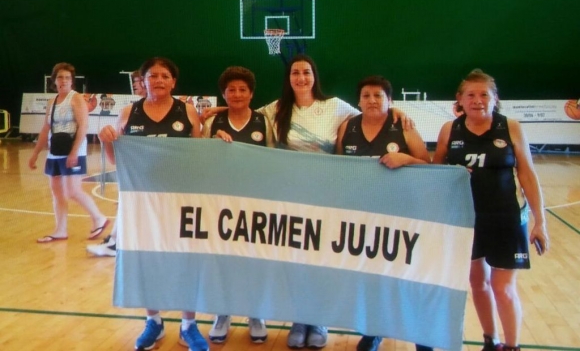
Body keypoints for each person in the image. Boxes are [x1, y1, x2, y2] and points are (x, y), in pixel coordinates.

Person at [202, 54, 413, 349]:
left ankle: (319, 319)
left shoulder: (335, 106)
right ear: (288, 79)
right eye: (295, 73)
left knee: (322, 260)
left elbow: (372, 111)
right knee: (297, 261)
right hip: (291, 195)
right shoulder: (277, 108)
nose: (301, 78)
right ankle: (300, 318)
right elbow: (243, 108)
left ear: (314, 76)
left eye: (306, 72)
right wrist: (221, 108)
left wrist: (397, 110)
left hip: (327, 195)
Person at [432, 69, 550, 351]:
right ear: (459, 100)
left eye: (484, 94)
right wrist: (452, 172)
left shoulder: (511, 127)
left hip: (507, 218)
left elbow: (528, 175)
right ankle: (490, 340)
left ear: (495, 99)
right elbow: (435, 171)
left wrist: (540, 222)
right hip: (467, 219)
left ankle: (512, 346)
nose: (477, 100)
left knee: (503, 287)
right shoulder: (450, 130)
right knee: (478, 283)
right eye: (470, 95)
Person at [96, 57, 208, 351]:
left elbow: (201, 156)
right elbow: (116, 159)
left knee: (184, 260)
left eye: (164, 76)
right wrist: (107, 139)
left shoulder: (187, 111)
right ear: (142, 81)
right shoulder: (127, 113)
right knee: (146, 260)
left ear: (174, 81)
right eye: (152, 76)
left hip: (181, 200)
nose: (158, 80)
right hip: (141, 202)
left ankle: (188, 325)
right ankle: (153, 321)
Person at [336, 75, 432, 351]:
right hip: (365, 216)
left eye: (378, 95)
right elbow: (340, 168)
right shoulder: (348, 127)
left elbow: (429, 165)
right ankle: (374, 331)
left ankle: (421, 337)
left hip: (402, 215)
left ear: (390, 100)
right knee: (373, 278)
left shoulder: (403, 126)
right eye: (366, 95)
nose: (372, 100)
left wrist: (407, 159)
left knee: (409, 278)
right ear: (358, 101)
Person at [202, 66, 274, 344]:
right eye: (231, 89)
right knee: (222, 260)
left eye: (242, 89)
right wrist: (212, 145)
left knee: (253, 260)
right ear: (223, 94)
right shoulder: (213, 124)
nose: (237, 94)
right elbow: (200, 159)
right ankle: (223, 312)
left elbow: (272, 161)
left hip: (255, 203)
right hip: (221, 204)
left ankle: (256, 312)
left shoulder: (263, 122)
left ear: (251, 93)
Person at [28, 62, 109, 243]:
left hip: (74, 151)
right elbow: (45, 129)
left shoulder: (77, 99)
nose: (63, 80)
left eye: (67, 77)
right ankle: (60, 230)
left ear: (72, 81)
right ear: (54, 80)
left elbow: (83, 126)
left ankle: (99, 218)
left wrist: (74, 152)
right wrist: (35, 154)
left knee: (72, 190)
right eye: (60, 77)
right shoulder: (52, 102)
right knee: (56, 192)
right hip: (55, 151)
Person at [87, 69, 147, 257]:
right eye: (135, 81)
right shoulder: (132, 110)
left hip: (154, 170)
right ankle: (115, 241)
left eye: (138, 81)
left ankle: (116, 241)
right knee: (127, 205)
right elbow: (117, 151)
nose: (136, 85)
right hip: (135, 169)